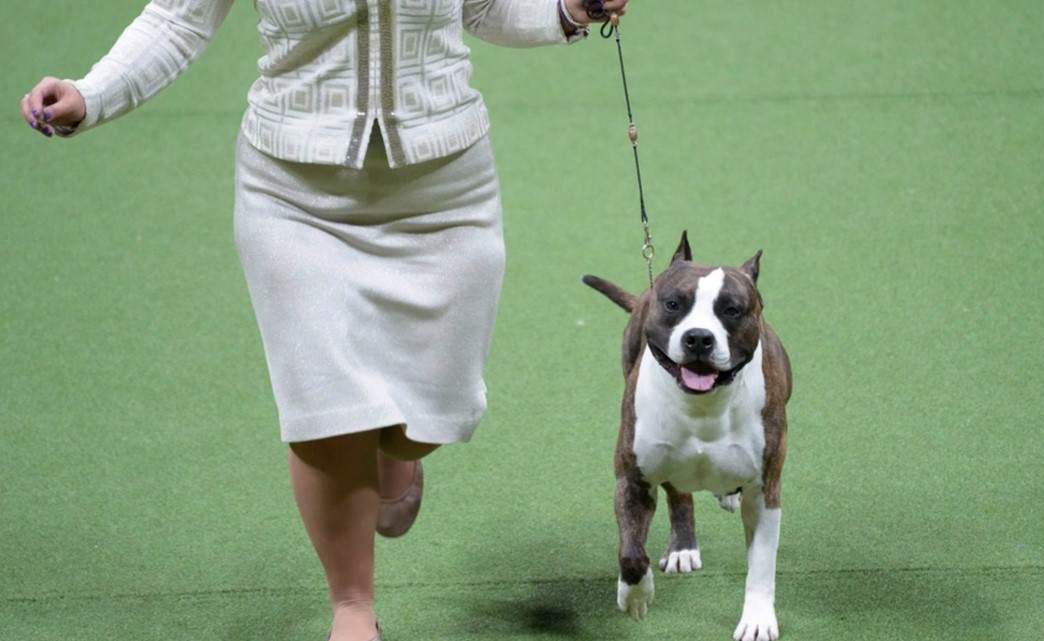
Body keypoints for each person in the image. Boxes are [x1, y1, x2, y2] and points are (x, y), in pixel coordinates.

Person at [18, 1, 629, 640]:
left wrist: (567, 9)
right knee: (326, 409)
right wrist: (93, 94)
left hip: (445, 190)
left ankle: (398, 447)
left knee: (432, 412)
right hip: (293, 191)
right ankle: (353, 608)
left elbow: (485, 7)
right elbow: (178, 19)